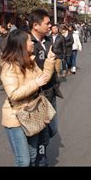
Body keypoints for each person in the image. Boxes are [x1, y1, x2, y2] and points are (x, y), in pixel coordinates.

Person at [0, 30, 56, 166]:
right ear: (21, 44)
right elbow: (13, 94)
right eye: (29, 40)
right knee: (24, 161)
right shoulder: (8, 66)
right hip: (15, 117)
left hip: (31, 113)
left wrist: (50, 61)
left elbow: (43, 78)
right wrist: (35, 83)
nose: (32, 43)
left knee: (33, 156)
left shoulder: (30, 61)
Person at [28, 9, 62, 166]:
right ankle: (40, 160)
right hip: (35, 95)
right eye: (47, 23)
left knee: (52, 129)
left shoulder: (48, 41)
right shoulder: (27, 43)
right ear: (36, 25)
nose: (50, 26)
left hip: (50, 92)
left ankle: (40, 156)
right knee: (39, 132)